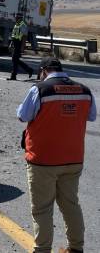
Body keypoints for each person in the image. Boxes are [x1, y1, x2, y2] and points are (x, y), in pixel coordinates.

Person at [17, 57, 96, 253]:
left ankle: (42, 250)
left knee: (42, 209)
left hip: (43, 160)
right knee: (71, 205)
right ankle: (76, 248)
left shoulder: (40, 89)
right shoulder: (84, 90)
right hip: (73, 159)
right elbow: (92, 116)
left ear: (44, 71)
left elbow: (22, 115)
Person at [8, 13, 34, 81]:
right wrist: (11, 43)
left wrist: (22, 46)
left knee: (14, 59)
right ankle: (28, 70)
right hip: (15, 43)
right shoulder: (17, 24)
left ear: (20, 18)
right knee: (15, 60)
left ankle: (14, 75)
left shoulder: (23, 25)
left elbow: (24, 36)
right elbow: (14, 35)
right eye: (15, 17)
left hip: (19, 44)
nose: (15, 18)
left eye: (16, 17)